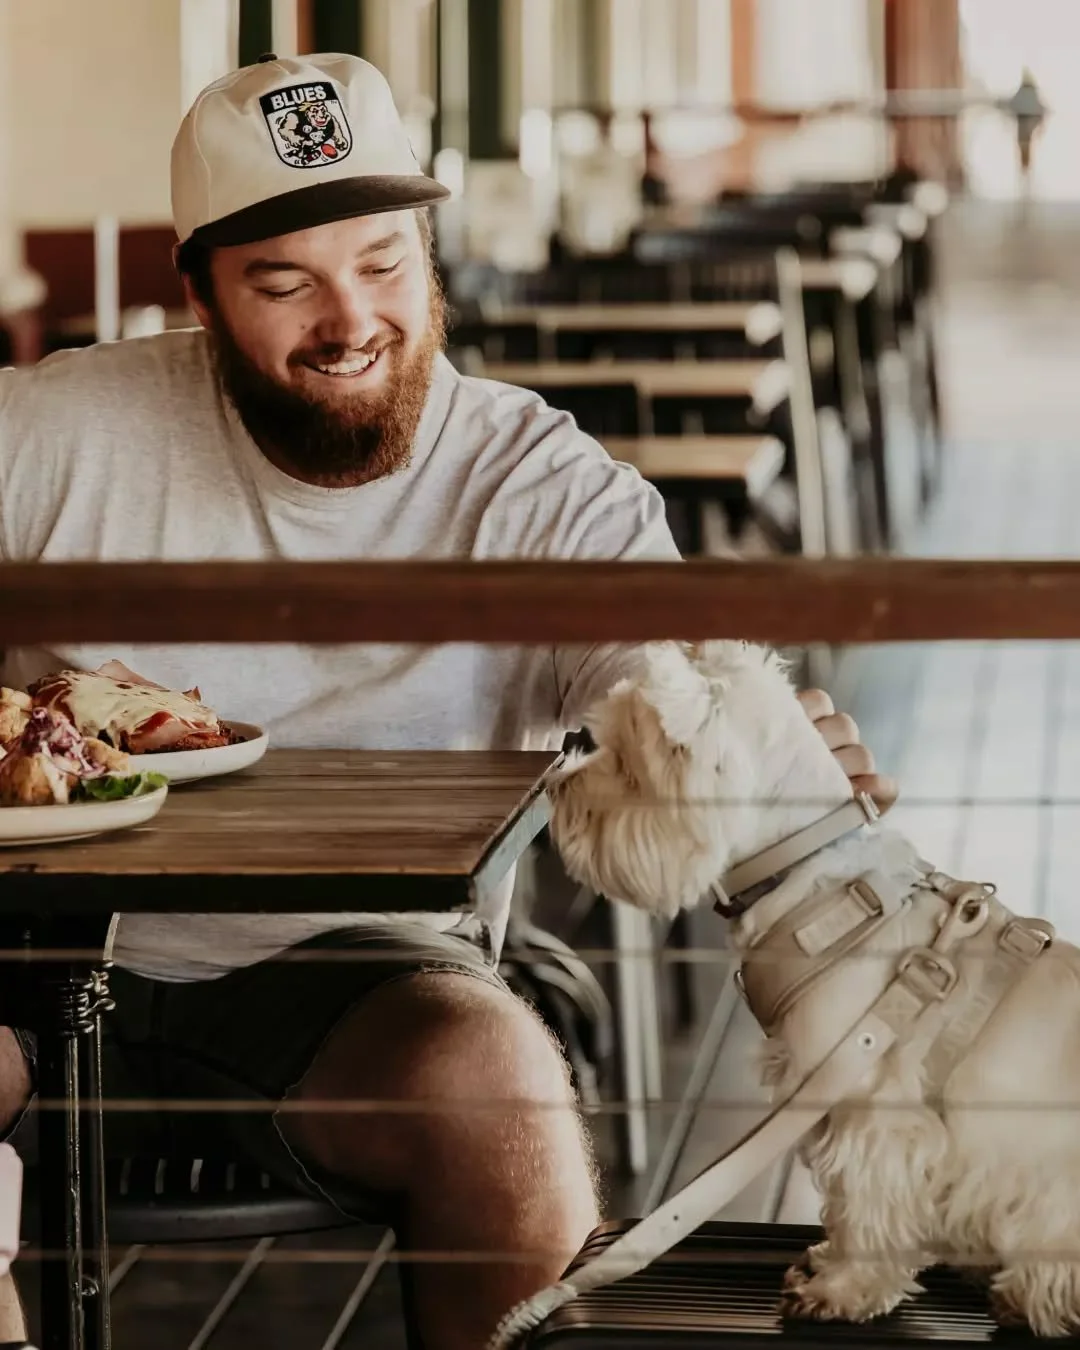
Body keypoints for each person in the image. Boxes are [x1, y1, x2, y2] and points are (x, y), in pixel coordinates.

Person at [0, 53, 895, 1350]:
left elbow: (658, 672)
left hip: (358, 989)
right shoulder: (54, 433)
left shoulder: (535, 480)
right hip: (35, 959)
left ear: (431, 249)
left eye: (381, 261)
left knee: (501, 1089)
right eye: (284, 280)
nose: (348, 318)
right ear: (197, 290)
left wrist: (753, 753)